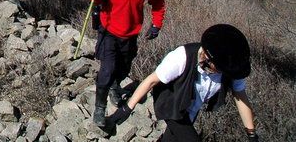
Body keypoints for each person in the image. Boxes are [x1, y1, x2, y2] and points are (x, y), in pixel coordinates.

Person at [106, 24, 258, 141]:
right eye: (215, 68)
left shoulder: (230, 67)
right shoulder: (182, 57)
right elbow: (151, 81)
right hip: (171, 102)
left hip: (190, 108)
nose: (218, 72)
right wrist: (126, 108)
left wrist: (251, 134)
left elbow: (240, 96)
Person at [90, 0, 166, 127]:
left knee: (124, 67)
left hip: (130, 34)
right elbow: (97, 1)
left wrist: (156, 24)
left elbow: (158, 2)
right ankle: (99, 108)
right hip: (109, 31)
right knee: (107, 70)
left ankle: (114, 86)